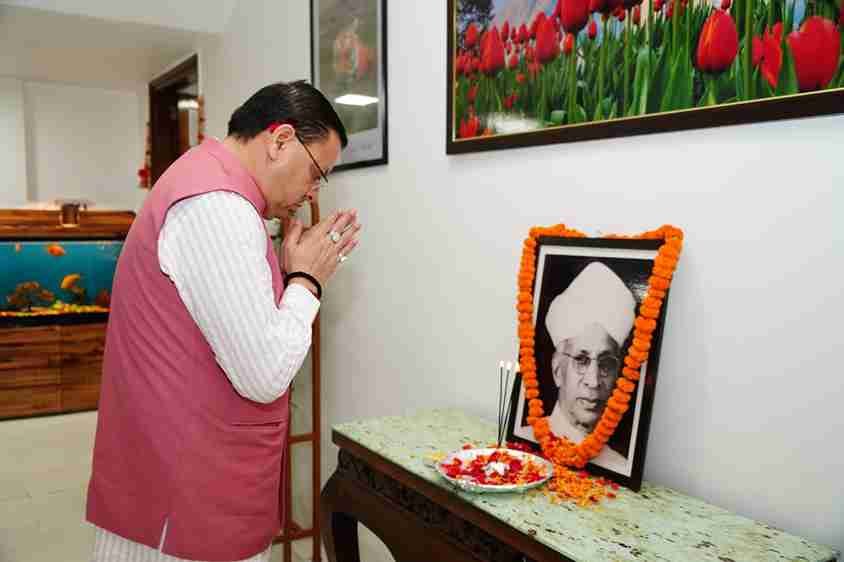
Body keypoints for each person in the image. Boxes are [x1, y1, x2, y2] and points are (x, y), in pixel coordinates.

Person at [86, 81, 361, 562]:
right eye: (317, 173)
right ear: (280, 140)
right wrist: (307, 281)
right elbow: (263, 374)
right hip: (184, 503)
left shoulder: (206, 184)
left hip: (179, 480)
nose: (312, 192)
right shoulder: (219, 208)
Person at [543, 261, 636, 468]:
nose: (593, 381)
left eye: (606, 364)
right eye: (581, 360)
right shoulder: (525, 440)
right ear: (557, 371)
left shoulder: (619, 468)